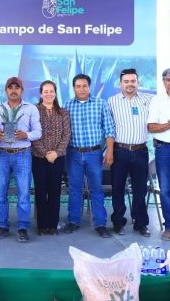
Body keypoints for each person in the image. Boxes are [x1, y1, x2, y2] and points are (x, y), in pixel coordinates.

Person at [63, 74, 115, 238]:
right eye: (78, 86)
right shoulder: (67, 106)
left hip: (94, 153)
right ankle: (73, 221)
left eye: (84, 86)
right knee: (75, 189)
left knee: (96, 189)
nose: (81, 89)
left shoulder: (101, 104)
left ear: (89, 87)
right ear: (73, 88)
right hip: (74, 153)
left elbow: (109, 129)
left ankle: (100, 223)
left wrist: (110, 151)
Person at [0, 77, 42, 242]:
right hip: (2, 153)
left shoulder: (31, 109)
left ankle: (22, 227)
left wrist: (25, 134)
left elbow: (38, 131)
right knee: (0, 192)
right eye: (10, 87)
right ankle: (2, 225)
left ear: (22, 90)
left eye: (17, 87)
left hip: (23, 153)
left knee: (23, 192)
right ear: (6, 90)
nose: (14, 90)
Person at [108, 68, 151, 237]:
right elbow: (108, 128)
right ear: (120, 84)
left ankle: (140, 223)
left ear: (138, 83)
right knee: (117, 188)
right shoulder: (112, 102)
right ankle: (118, 222)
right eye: (126, 81)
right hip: (120, 151)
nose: (130, 84)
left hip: (141, 151)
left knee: (140, 190)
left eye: (133, 81)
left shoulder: (149, 100)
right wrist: (110, 151)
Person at [31, 80, 70, 236]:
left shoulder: (63, 113)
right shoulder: (34, 111)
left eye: (51, 91)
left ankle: (53, 225)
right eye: (45, 91)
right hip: (39, 157)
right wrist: (46, 153)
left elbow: (66, 135)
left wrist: (56, 153)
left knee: (55, 191)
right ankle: (42, 225)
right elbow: (32, 135)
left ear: (55, 93)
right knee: (40, 191)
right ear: (41, 94)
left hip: (58, 158)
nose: (48, 94)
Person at [148, 68, 170, 241]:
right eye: (168, 80)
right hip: (164, 150)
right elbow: (151, 127)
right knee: (165, 190)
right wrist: (168, 124)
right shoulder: (157, 101)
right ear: (163, 82)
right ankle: (169, 226)